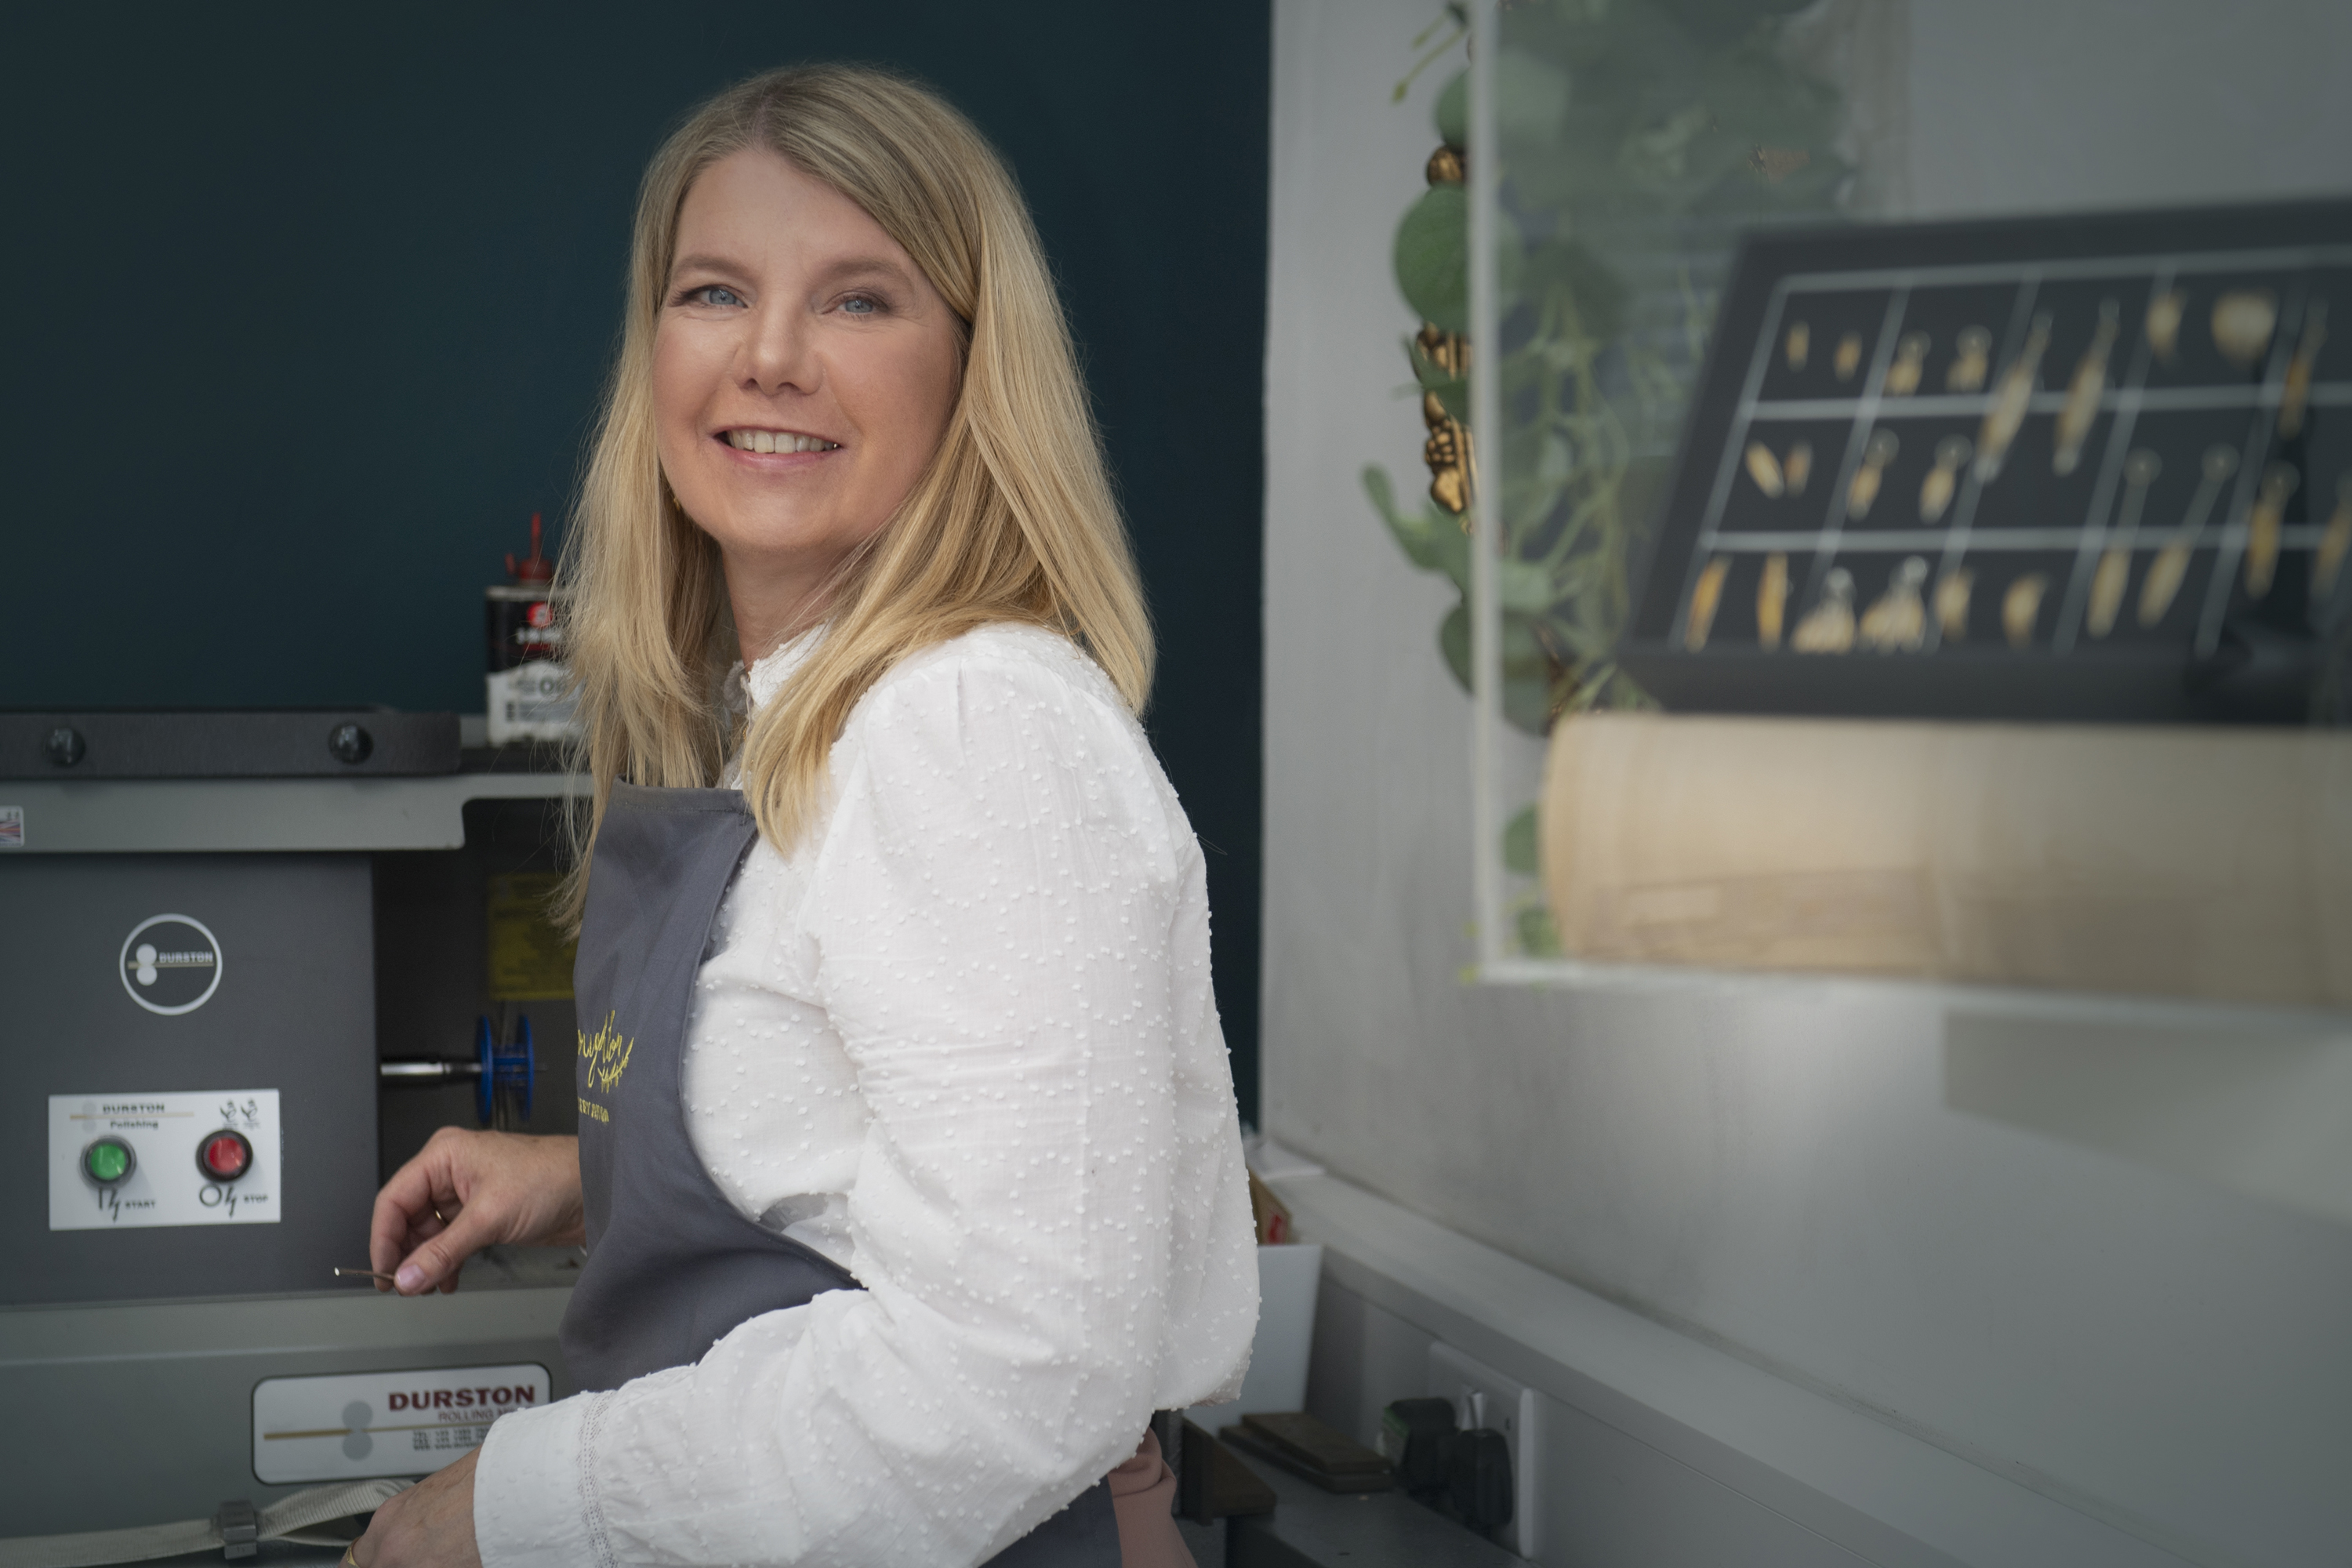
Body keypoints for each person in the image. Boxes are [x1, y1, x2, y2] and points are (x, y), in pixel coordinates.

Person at [350, 64, 1258, 1568]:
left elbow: (1021, 1363)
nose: (768, 356)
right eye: (715, 291)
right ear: (655, 347)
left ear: (973, 368)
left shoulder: (971, 732)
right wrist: (599, 1170)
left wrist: (512, 1506)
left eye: (858, 301)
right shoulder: (786, 711)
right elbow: (882, 1146)